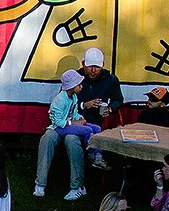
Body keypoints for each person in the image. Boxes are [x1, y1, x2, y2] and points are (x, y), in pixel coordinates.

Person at [36, 48, 121, 194]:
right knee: (47, 138)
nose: (93, 70)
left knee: (71, 139)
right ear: (83, 64)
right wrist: (84, 105)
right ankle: (40, 183)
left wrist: (110, 109)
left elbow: (118, 99)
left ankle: (77, 185)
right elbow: (63, 102)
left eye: (97, 67)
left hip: (88, 123)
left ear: (103, 65)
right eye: (90, 66)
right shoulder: (75, 78)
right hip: (67, 122)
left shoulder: (110, 80)